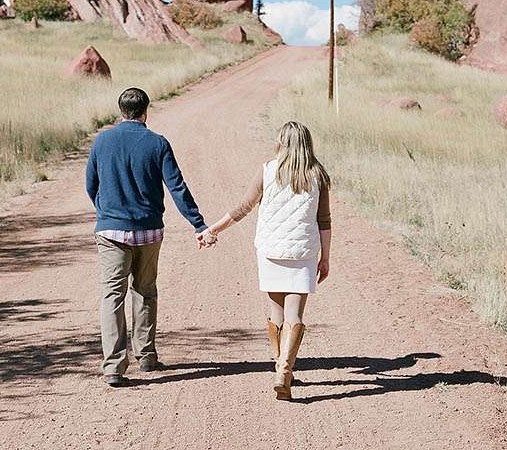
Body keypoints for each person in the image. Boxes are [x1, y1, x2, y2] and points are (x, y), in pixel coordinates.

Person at [200, 121, 332, 401]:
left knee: (277, 313)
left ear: (282, 142)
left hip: (271, 251)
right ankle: (284, 371)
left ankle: (279, 365)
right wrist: (326, 257)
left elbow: (243, 207)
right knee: (295, 316)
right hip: (304, 252)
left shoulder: (268, 170)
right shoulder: (318, 175)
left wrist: (213, 229)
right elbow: (324, 221)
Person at [86, 87, 208, 387]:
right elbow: (177, 187)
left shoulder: (102, 141)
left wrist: (105, 211)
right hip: (148, 231)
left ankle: (113, 365)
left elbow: (91, 184)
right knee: (145, 290)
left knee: (112, 295)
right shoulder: (157, 143)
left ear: (120, 110)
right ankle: (146, 355)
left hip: (111, 231)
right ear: (145, 111)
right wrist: (198, 224)